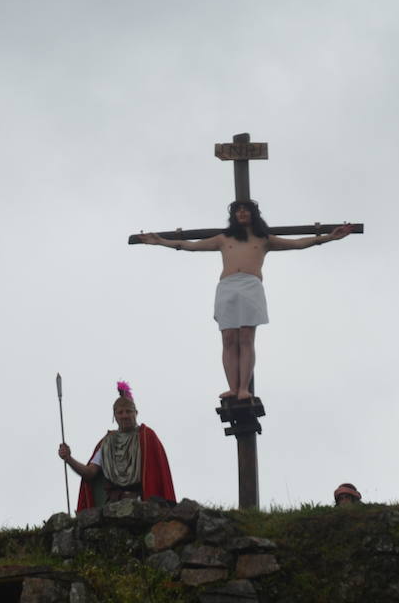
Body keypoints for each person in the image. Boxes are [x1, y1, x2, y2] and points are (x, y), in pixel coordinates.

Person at [138, 201, 356, 401]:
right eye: (238, 211)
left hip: (251, 286)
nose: (242, 213)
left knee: (246, 337)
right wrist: (159, 241)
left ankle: (243, 388)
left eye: (246, 210)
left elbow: (298, 243)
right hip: (227, 287)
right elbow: (189, 245)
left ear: (253, 214)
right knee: (229, 338)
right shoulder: (224, 239)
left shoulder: (263, 239)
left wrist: (329, 237)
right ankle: (233, 388)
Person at [59, 382, 176, 510]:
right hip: (114, 504)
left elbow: (156, 475)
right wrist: (69, 459)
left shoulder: (147, 437)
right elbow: (90, 473)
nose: (124, 416)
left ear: (136, 413)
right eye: (120, 412)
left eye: (128, 411)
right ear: (114, 416)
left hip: (143, 502)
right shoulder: (106, 443)